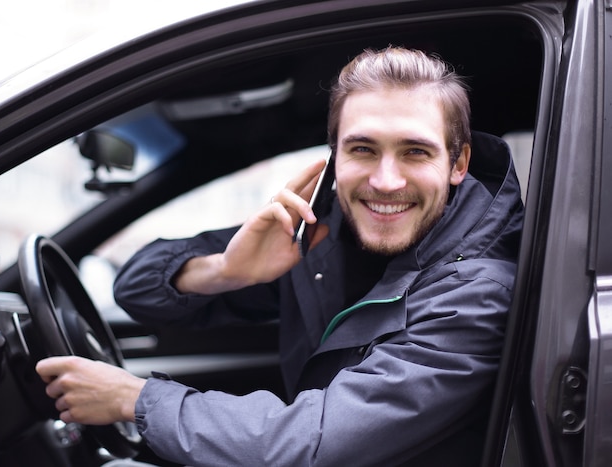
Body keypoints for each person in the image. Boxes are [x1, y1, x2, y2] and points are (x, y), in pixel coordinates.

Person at [36, 46, 524, 466]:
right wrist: (223, 270)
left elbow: (314, 446)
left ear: (457, 163)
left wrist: (134, 398)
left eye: (415, 152)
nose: (385, 181)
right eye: (363, 150)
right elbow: (136, 290)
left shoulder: (477, 294)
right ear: (335, 156)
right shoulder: (322, 239)